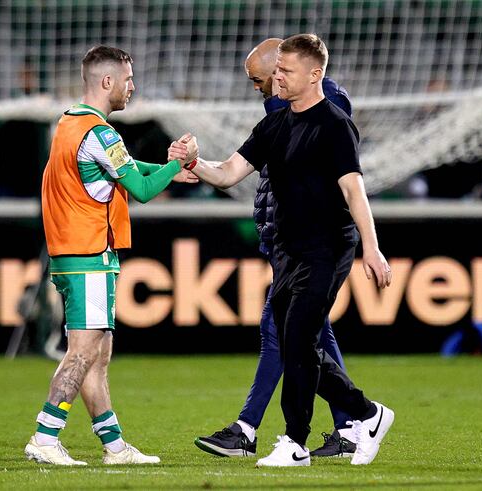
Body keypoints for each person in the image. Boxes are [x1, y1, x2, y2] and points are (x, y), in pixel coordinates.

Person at [172, 34, 393, 467]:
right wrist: (194, 162)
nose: (274, 81)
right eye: (275, 74)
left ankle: (294, 442)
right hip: (289, 248)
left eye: (282, 72)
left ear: (314, 75)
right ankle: (367, 415)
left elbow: (354, 188)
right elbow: (231, 172)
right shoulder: (274, 124)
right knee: (298, 346)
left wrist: (373, 247)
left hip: (328, 245)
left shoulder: (334, 122)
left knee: (295, 340)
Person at [23, 45, 197, 466]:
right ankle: (45, 437)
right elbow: (140, 190)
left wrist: (170, 165)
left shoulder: (70, 123)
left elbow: (128, 169)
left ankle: (114, 447)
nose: (132, 87)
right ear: (107, 82)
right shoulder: (102, 133)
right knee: (83, 353)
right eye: (128, 79)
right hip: (90, 254)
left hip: (71, 254)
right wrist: (175, 167)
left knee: (98, 356)